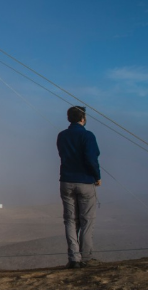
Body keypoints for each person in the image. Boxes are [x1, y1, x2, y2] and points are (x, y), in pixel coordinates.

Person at [56, 106, 101, 269]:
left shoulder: (61, 135)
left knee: (70, 220)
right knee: (87, 220)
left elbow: (62, 154)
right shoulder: (87, 135)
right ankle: (87, 257)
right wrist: (97, 176)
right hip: (85, 182)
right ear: (83, 118)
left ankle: (74, 258)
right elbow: (91, 157)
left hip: (66, 181)